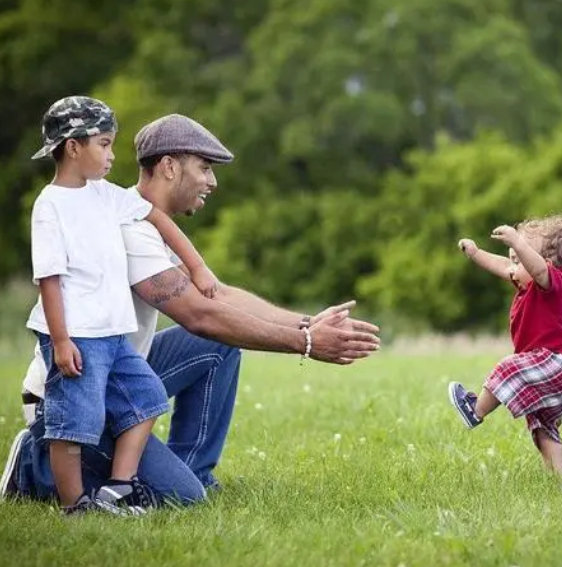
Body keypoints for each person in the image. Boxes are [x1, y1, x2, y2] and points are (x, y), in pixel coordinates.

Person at [2, 113, 381, 507]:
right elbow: (198, 315)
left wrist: (306, 323)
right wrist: (305, 343)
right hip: (76, 386)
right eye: (204, 168)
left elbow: (219, 298)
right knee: (178, 497)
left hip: (118, 375)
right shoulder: (127, 228)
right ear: (168, 166)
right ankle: (34, 465)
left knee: (219, 347)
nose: (212, 182)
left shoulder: (144, 220)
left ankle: (191, 469)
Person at [27, 97, 220, 515]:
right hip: (77, 335)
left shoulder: (106, 196)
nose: (113, 155)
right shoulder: (50, 207)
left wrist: (198, 267)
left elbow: (157, 218)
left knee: (148, 397)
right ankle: (69, 500)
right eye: (104, 143)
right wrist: (60, 340)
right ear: (73, 147)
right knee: (76, 421)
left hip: (113, 336)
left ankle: (119, 487)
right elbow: (49, 279)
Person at [448, 216, 562, 474]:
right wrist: (476, 253)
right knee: (542, 427)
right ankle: (560, 480)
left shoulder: (555, 284)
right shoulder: (528, 284)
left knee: (509, 366)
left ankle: (475, 410)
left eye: (519, 260)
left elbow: (539, 270)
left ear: (546, 263)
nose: (512, 267)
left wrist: (519, 242)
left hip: (555, 363)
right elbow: (502, 266)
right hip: (554, 370)